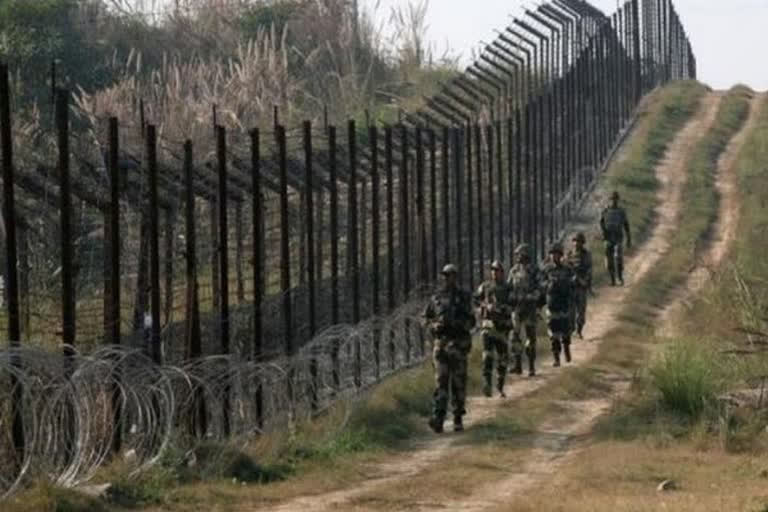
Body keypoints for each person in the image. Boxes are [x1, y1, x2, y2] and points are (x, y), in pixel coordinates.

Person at [423, 264, 475, 433]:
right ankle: (438, 417)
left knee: (458, 383)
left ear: (455, 277)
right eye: (444, 275)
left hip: (458, 344)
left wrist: (458, 324)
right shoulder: (436, 298)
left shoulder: (463, 297)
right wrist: (433, 325)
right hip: (441, 345)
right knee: (441, 382)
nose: (447, 278)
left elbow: (472, 321)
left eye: (450, 275)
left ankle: (458, 417)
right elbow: (425, 318)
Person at [474, 260, 513, 398]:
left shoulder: (508, 288)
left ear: (502, 273)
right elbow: (476, 300)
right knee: (487, 357)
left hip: (502, 328)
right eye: (492, 270)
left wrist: (502, 308)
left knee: (502, 359)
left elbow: (513, 304)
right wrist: (482, 308)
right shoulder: (485, 286)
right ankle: (487, 384)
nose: (494, 273)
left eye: (497, 270)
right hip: (488, 327)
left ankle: (500, 385)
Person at [507, 244, 542, 377]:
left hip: (529, 308)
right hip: (517, 308)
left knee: (530, 337)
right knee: (515, 337)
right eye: (517, 255)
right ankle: (518, 365)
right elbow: (509, 286)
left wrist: (532, 296)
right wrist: (510, 297)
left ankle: (531, 366)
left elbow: (540, 287)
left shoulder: (534, 270)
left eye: (519, 254)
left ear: (526, 255)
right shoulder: (514, 270)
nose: (517, 257)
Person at [540, 243, 574, 367]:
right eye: (553, 254)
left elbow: (572, 282)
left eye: (557, 254)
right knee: (553, 333)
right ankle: (556, 358)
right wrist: (549, 285)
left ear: (560, 255)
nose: (555, 257)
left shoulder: (567, 269)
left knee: (565, 330)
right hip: (552, 303)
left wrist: (564, 284)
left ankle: (566, 348)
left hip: (563, 303)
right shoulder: (546, 269)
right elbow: (540, 283)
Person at [600, 191, 632, 286]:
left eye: (615, 199)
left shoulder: (621, 211)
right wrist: (603, 232)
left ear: (618, 200)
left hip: (618, 237)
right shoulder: (605, 211)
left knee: (618, 257)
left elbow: (626, 225)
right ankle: (612, 279)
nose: (613, 201)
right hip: (608, 237)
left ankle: (620, 277)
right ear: (609, 200)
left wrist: (629, 238)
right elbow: (601, 222)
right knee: (609, 260)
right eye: (612, 199)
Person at [566, 232, 593, 339]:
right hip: (571, 287)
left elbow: (589, 270)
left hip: (581, 287)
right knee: (570, 311)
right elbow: (566, 269)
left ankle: (579, 330)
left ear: (582, 243)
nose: (576, 243)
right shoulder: (569, 255)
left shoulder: (586, 255)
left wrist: (585, 281)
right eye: (575, 241)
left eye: (579, 241)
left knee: (581, 311)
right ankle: (571, 329)